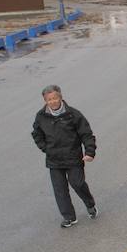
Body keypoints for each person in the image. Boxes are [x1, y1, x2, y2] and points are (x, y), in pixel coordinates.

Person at [31, 84, 97, 228]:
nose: (52, 101)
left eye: (55, 98)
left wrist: (90, 152)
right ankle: (69, 217)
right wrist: (45, 148)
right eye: (49, 99)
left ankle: (90, 204)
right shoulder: (41, 116)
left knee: (78, 184)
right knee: (60, 190)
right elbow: (36, 134)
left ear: (61, 98)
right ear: (45, 101)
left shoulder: (73, 114)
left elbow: (86, 134)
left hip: (73, 157)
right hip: (54, 160)